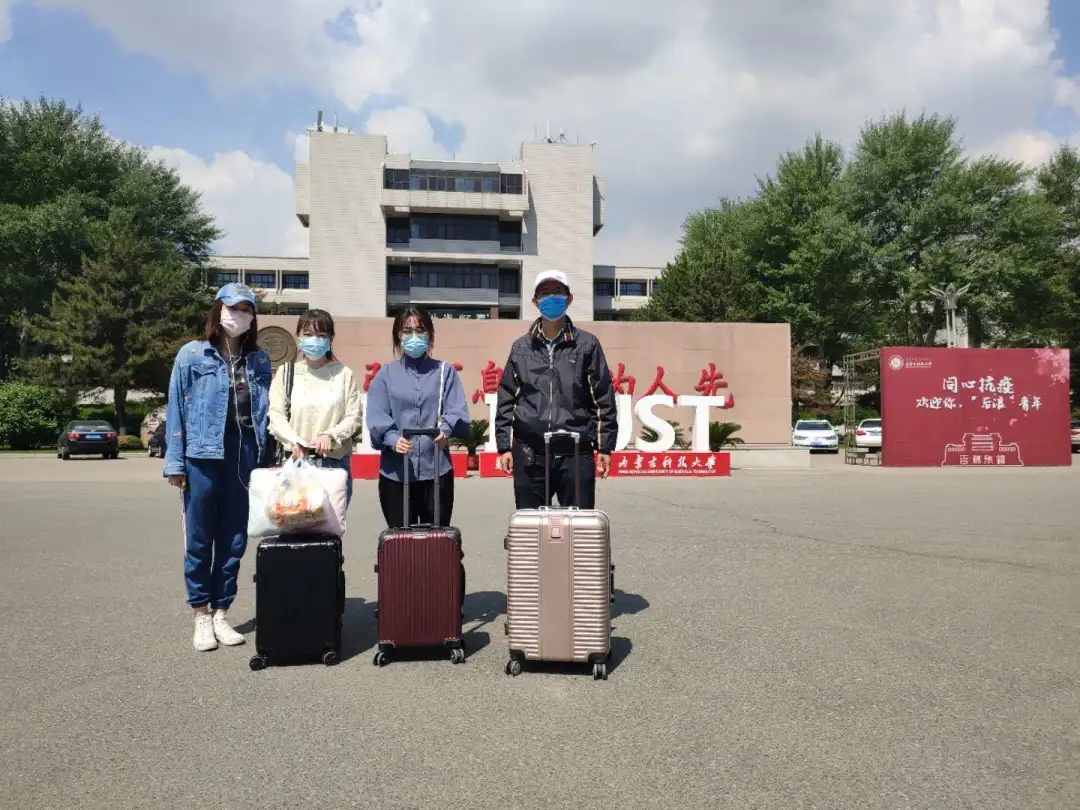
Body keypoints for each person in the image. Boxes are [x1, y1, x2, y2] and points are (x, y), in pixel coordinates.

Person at [163, 283, 271, 652]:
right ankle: (200, 614)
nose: (238, 315)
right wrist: (175, 462)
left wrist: (268, 460)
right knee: (199, 539)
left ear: (253, 318)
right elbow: (176, 408)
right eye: (232, 307)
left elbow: (267, 413)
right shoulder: (192, 354)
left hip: (244, 454)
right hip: (202, 455)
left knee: (234, 539)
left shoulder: (259, 360)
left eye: (246, 309)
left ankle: (222, 611)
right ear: (218, 310)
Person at [495, 269, 618, 509]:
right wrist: (504, 446)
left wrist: (604, 447)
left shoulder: (587, 345)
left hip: (575, 451)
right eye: (544, 293)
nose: (551, 298)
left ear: (569, 299)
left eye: (558, 292)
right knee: (531, 524)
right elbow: (506, 397)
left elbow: (603, 397)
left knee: (579, 524)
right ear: (535, 301)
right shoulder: (521, 348)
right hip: (530, 452)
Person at [366, 306, 470, 528]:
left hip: (437, 470)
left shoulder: (445, 371)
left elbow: (457, 409)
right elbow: (376, 415)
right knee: (401, 540)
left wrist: (446, 430)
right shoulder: (385, 375)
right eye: (407, 331)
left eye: (420, 330)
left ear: (430, 334)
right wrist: (392, 439)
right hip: (396, 473)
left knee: (437, 539)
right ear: (398, 335)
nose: (414, 336)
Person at [267, 309, 363, 506]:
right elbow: (276, 415)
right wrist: (294, 441)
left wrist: (331, 435)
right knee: (292, 518)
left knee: (331, 522)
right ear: (299, 337)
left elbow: (353, 416)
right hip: (295, 463)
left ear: (331, 338)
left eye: (321, 335)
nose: (314, 340)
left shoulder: (343, 374)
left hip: (334, 463)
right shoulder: (286, 373)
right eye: (308, 334)